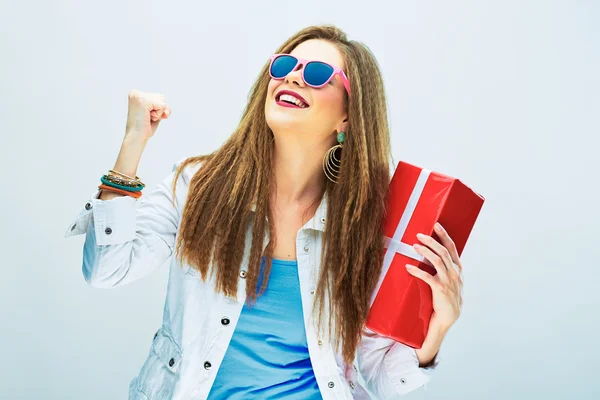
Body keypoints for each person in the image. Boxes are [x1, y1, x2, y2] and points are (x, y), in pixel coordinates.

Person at [65, 24, 464, 400]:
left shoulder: (366, 223)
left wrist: (439, 326)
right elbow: (106, 270)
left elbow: (379, 375)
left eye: (318, 73)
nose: (292, 77)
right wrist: (133, 142)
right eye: (286, 65)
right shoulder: (198, 185)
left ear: (348, 116)